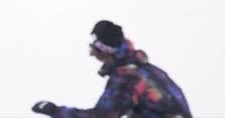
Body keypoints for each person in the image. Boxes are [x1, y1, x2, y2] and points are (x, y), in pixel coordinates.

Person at [31, 20, 193, 118]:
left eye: (95, 50)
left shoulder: (127, 77)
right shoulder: (147, 70)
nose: (91, 54)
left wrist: (56, 111)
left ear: (107, 51)